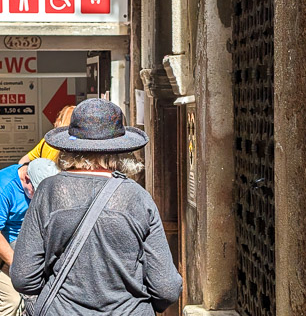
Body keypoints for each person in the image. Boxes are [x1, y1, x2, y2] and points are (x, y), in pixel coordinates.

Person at [10, 98, 183, 315]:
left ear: (69, 149)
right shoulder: (138, 197)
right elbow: (166, 288)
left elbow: (23, 277)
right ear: (120, 151)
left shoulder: (48, 192)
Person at [0, 158, 61, 316]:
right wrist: (19, 267)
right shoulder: (2, 187)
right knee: (10, 299)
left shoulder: (41, 178)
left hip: (19, 238)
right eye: (36, 190)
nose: (39, 196)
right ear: (26, 178)